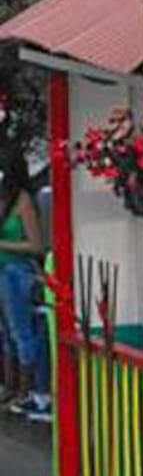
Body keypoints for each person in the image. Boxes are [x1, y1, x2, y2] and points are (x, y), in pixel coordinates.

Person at [0, 143, 49, 420]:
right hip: (3, 271)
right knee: (7, 334)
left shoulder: (23, 201)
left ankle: (27, 390)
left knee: (21, 333)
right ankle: (11, 387)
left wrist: (3, 243)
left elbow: (36, 245)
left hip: (17, 272)